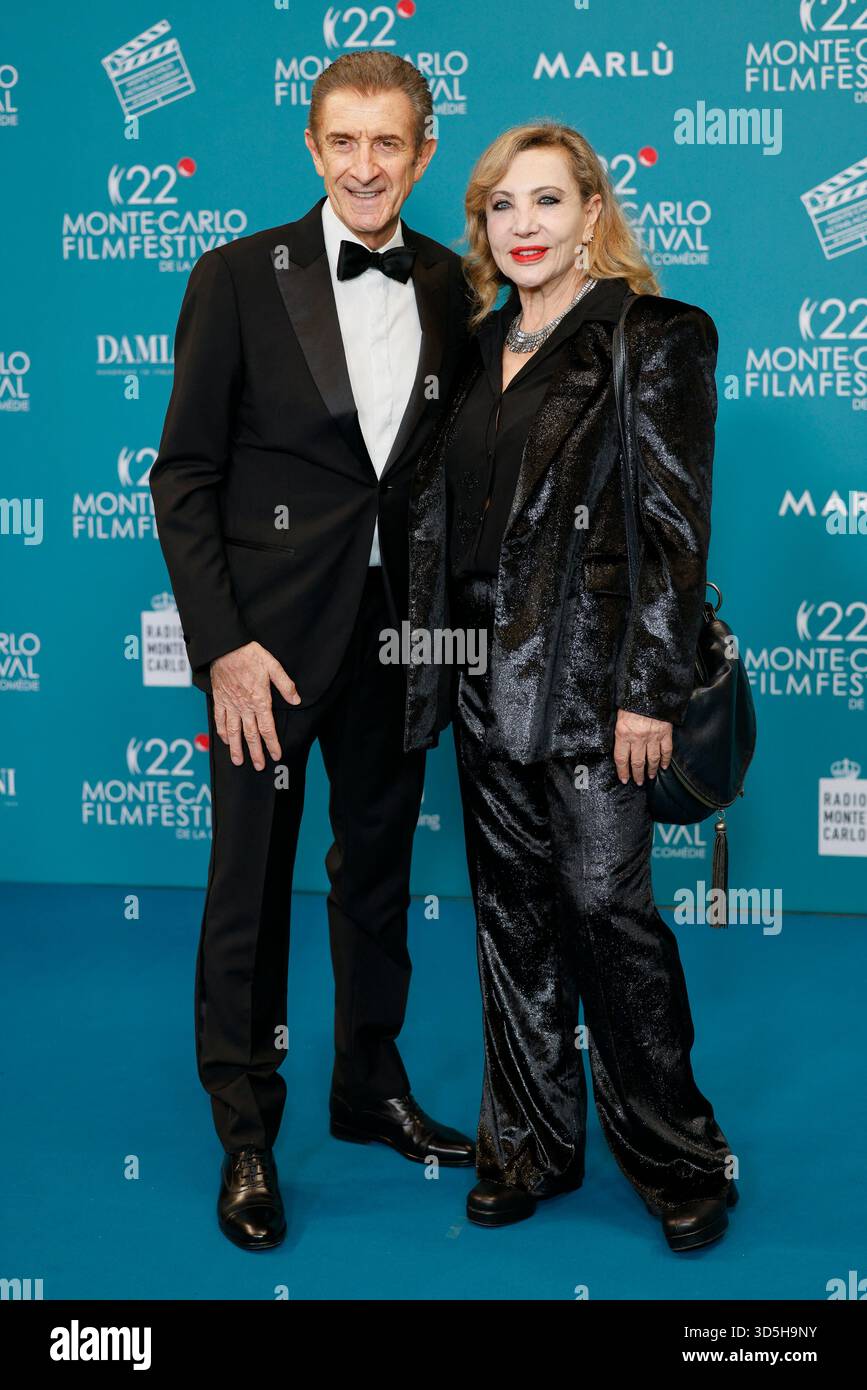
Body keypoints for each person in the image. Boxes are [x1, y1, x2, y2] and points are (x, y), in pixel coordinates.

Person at [149, 51, 475, 1253]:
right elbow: (183, 474)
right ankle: (246, 1133)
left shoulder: (453, 282)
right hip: (268, 653)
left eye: (389, 143)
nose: (366, 165)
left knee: (378, 870)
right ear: (312, 146)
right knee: (250, 884)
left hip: (399, 640)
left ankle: (368, 1087)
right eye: (344, 141)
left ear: (424, 151)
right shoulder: (237, 276)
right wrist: (223, 645)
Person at [404, 121, 738, 1253]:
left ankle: (680, 1153)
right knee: (512, 922)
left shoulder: (653, 335)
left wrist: (650, 686)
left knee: (609, 913)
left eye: (549, 202)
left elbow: (674, 529)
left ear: (593, 211)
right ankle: (532, 1145)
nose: (527, 226)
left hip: (600, 693)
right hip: (481, 684)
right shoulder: (480, 343)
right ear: (484, 225)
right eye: (505, 205)